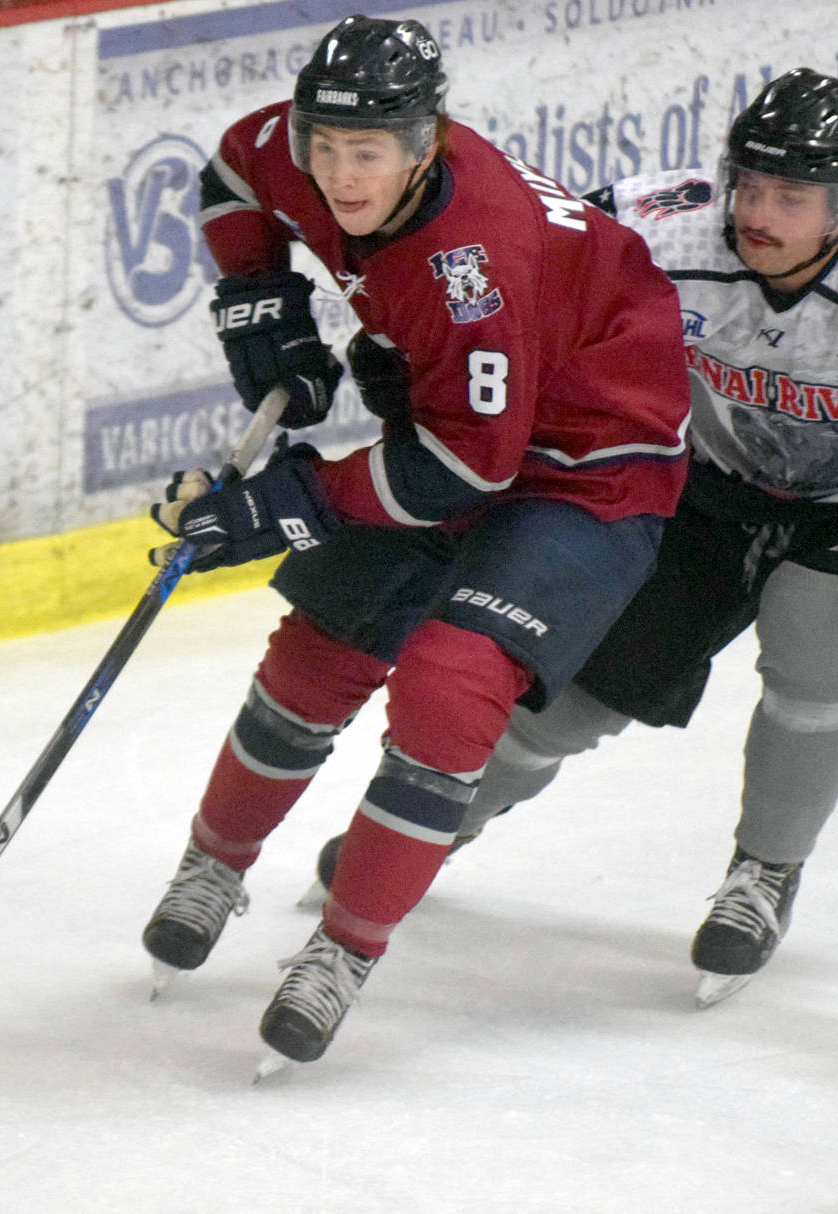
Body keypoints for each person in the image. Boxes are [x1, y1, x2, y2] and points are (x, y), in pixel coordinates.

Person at [312, 67, 838, 1007]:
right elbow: (505, 261)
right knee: (566, 695)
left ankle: (763, 873)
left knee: (815, 630)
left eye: (790, 196)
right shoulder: (662, 227)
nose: (756, 213)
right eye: (747, 185)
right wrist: (421, 349)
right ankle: (439, 819)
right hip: (704, 492)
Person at [140, 14, 691, 1068]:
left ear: (424, 143)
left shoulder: (470, 264)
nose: (341, 177)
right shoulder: (306, 152)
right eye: (327, 147)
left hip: (589, 468)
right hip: (464, 428)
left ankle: (343, 948)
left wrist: (287, 501)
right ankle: (214, 863)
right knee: (321, 645)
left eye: (369, 154)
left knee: (450, 679)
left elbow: (466, 472)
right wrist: (258, 293)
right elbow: (230, 173)